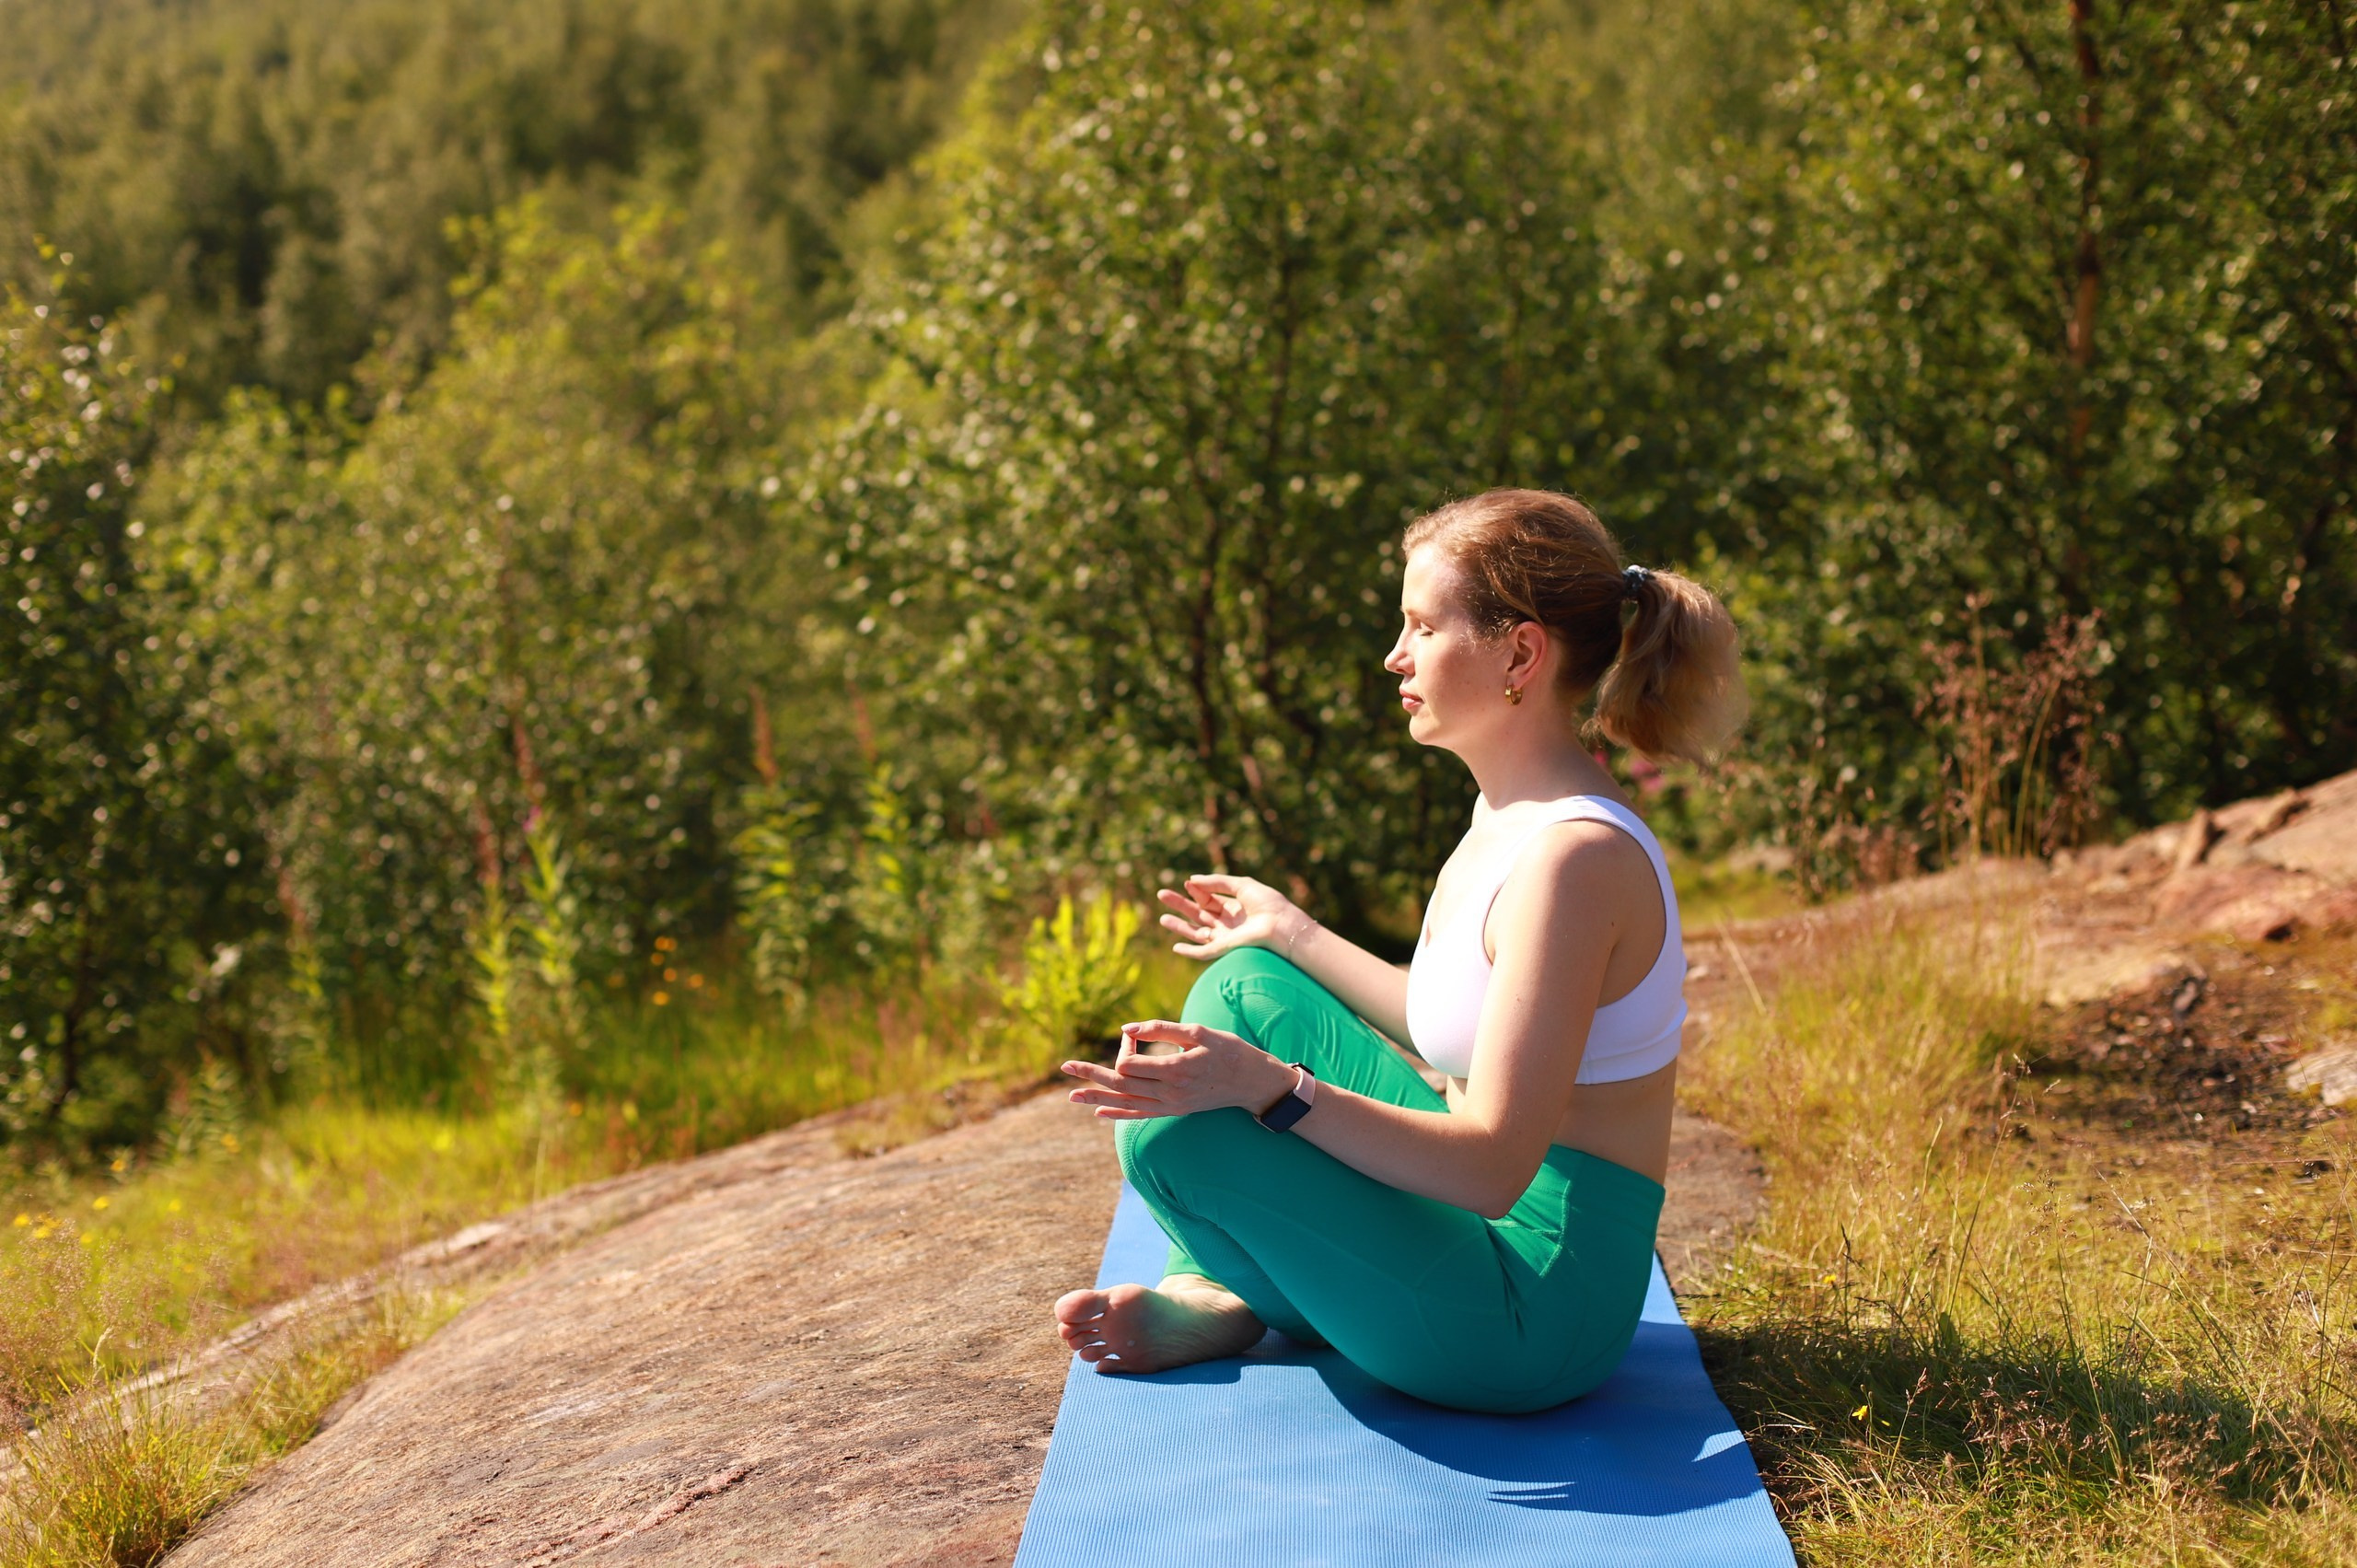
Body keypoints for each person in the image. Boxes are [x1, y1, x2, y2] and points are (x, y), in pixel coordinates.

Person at [1052, 487, 1747, 1414]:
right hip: (1469, 1213)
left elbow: (1493, 1169)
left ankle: (1249, 1289)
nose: (1395, 655)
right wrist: (1289, 930)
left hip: (1528, 1311)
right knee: (1243, 982)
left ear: (1520, 652)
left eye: (1422, 625)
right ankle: (1226, 1289)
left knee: (1171, 1133)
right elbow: (1452, 1019)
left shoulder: (1575, 861)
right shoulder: (1507, 809)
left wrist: (1272, 1088)